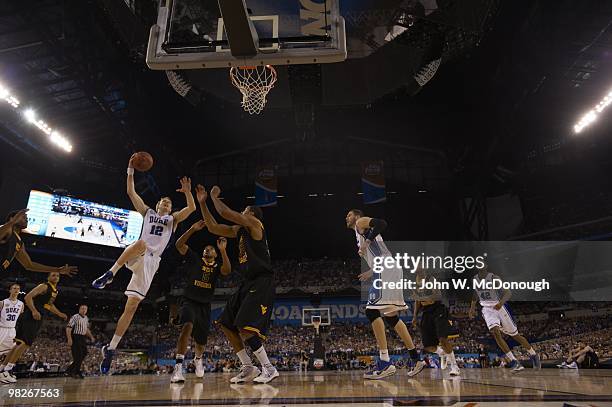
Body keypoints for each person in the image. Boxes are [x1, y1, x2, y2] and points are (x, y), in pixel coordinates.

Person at [92, 154, 196, 374]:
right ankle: (110, 272)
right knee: (141, 242)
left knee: (131, 307)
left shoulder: (173, 220)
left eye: (169, 203)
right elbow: (131, 192)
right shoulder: (147, 212)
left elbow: (191, 209)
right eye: (163, 202)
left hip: (151, 264)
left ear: (170, 208)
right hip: (138, 251)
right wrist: (130, 169)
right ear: (157, 205)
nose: (166, 204)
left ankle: (110, 349)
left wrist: (187, 192)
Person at [197, 185, 278, 384]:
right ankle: (248, 367)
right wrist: (202, 203)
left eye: (244, 211)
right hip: (247, 282)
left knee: (245, 328)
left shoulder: (255, 223)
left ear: (250, 214)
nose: (242, 213)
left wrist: (215, 197)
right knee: (226, 323)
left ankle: (269, 368)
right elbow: (213, 227)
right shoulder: (240, 231)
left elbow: (225, 212)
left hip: (262, 281)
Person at [345, 209, 423, 379]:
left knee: (371, 311)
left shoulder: (360, 223)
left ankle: (385, 362)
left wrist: (367, 242)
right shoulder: (358, 233)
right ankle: (416, 358)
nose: (347, 218)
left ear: (357, 216)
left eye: (349, 215)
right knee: (391, 317)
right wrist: (371, 271)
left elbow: (382, 223)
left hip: (387, 270)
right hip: (389, 268)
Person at [170, 220, 230, 383]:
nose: (207, 249)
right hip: (189, 301)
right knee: (186, 327)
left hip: (205, 305)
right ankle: (178, 368)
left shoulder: (217, 266)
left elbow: (227, 270)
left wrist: (223, 251)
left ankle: (198, 358)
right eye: (206, 249)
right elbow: (179, 244)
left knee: (201, 342)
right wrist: (192, 229)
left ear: (215, 254)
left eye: (211, 249)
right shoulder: (195, 259)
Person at [468, 266, 541, 372]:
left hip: (500, 307)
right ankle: (514, 362)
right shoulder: (475, 279)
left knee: (515, 335)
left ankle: (534, 355)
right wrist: (472, 308)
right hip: (487, 309)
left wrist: (501, 303)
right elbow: (475, 294)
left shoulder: (494, 278)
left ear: (486, 266)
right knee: (495, 333)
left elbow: (508, 293)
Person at [0, 272, 67, 384]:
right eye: (53, 275)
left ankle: (2, 369)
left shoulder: (54, 291)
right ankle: (7, 371)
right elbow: (28, 297)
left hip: (36, 316)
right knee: (24, 344)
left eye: (57, 276)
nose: (56, 277)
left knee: (19, 344)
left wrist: (59, 314)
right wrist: (34, 310)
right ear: (48, 277)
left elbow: (49, 305)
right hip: (32, 316)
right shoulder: (44, 286)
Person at [410, 267, 460, 376]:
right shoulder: (415, 282)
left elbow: (438, 295)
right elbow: (417, 301)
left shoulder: (431, 279)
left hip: (438, 309)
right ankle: (442, 353)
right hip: (426, 312)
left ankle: (454, 367)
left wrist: (424, 296)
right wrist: (414, 316)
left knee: (442, 339)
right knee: (428, 345)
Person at [0, 209, 77, 276]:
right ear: (12, 218)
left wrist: (58, 270)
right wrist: (12, 222)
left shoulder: (19, 242)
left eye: (27, 218)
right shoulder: (7, 229)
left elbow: (29, 265)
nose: (27, 220)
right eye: (23, 217)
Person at [66, 304, 95, 379]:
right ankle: (75, 371)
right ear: (79, 309)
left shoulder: (86, 318)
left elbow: (86, 329)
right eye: (82, 308)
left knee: (84, 353)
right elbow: (68, 328)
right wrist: (69, 339)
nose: (84, 310)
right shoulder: (75, 317)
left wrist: (91, 336)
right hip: (76, 336)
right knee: (78, 355)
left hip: (82, 337)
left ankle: (70, 369)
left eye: (85, 309)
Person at [0, 284, 24, 358]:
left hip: (12, 329)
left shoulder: (21, 304)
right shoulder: (2, 302)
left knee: (9, 352)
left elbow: (20, 314)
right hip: (2, 328)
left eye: (18, 288)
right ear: (10, 290)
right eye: (14, 288)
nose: (16, 290)